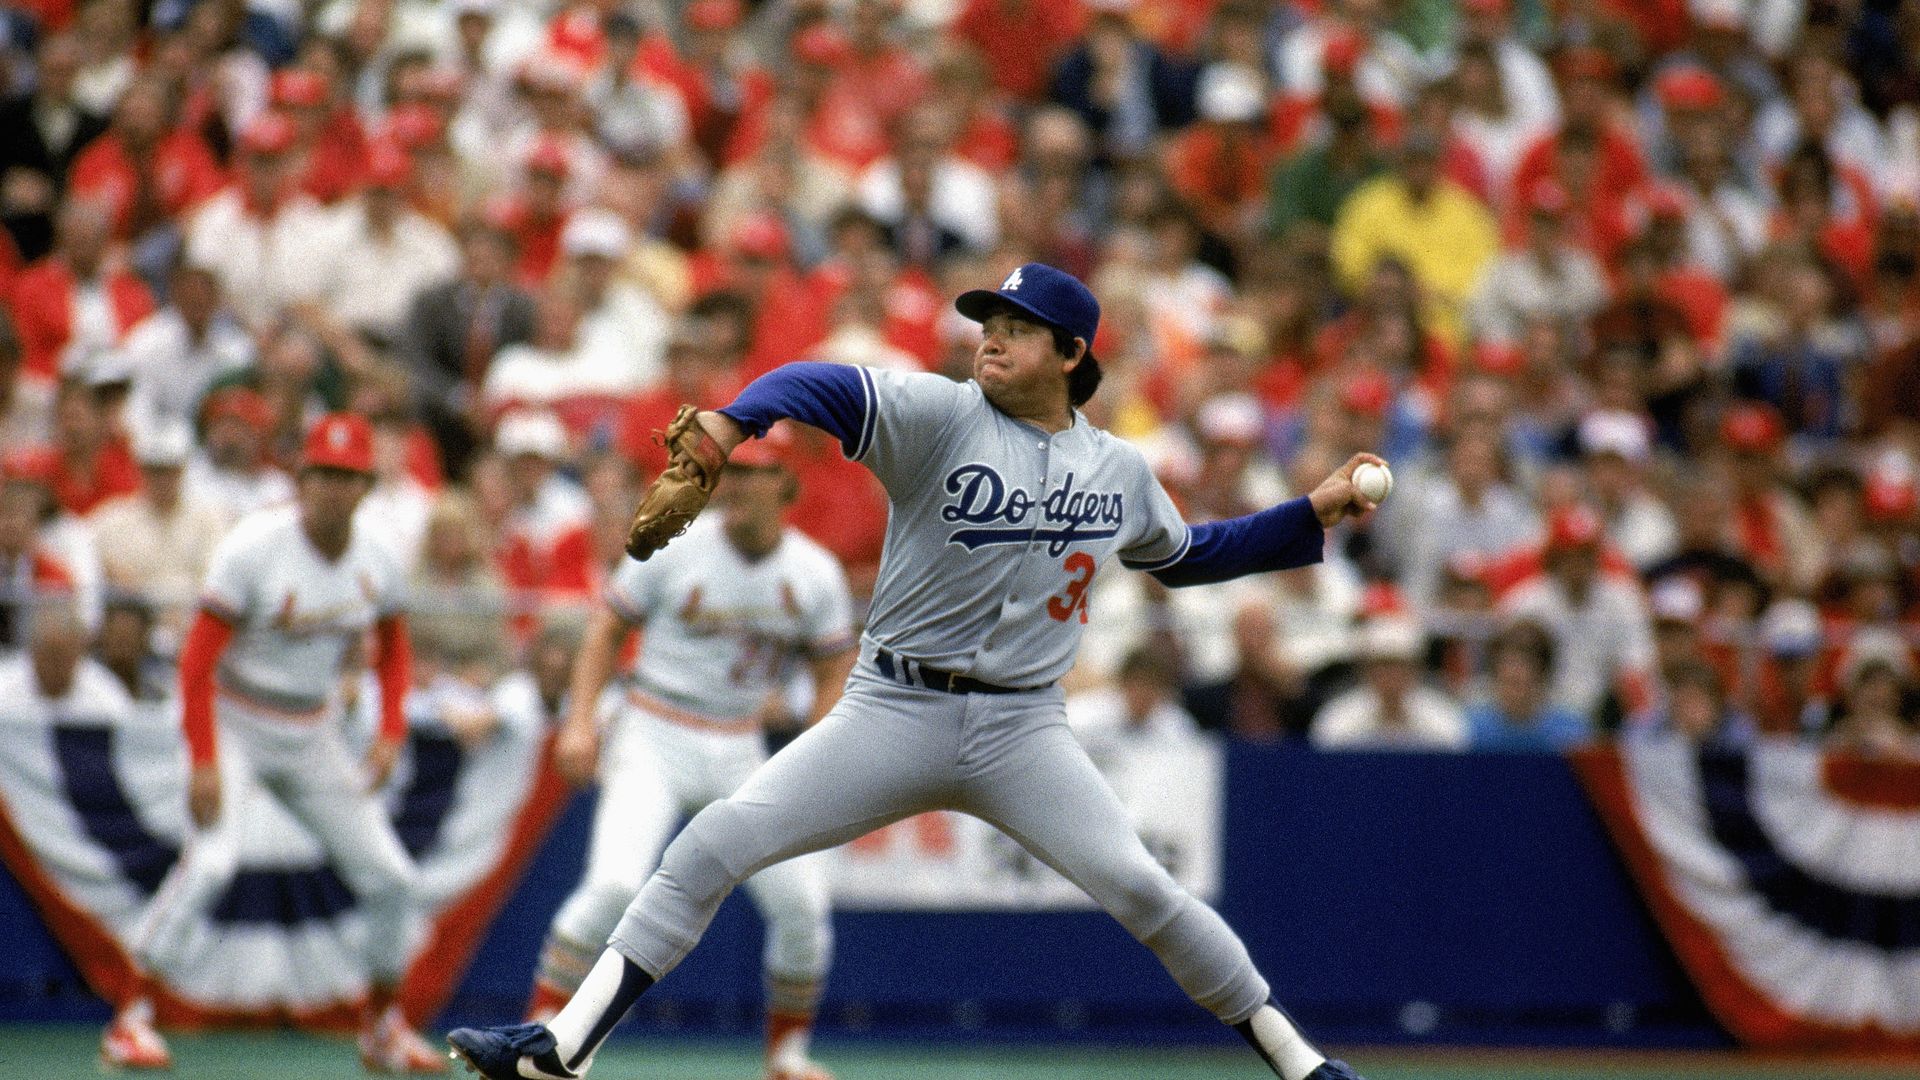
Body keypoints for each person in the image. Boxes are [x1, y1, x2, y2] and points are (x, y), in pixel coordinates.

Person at [448, 263, 1381, 1080]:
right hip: (893, 707)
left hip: (1025, 730)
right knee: (709, 847)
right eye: (989, 324)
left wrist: (1310, 512)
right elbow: (818, 384)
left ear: (1070, 353)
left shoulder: (1120, 469)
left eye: (1016, 329)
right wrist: (735, 424)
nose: (992, 341)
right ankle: (561, 1049)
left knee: (1145, 891)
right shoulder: (939, 415)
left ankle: (1301, 1064)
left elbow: (1188, 555)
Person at [111, 413, 445, 1074]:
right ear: (301, 478)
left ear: (365, 486)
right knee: (210, 863)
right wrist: (204, 759)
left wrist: (389, 731)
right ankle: (131, 1017)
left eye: (347, 478)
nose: (332, 489)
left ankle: (381, 1026)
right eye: (322, 474)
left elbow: (395, 650)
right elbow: (197, 663)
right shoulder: (255, 546)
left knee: (391, 878)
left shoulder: (377, 553)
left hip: (311, 729)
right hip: (236, 718)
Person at [528, 431, 856, 1080]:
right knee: (615, 885)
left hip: (739, 743)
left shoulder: (813, 571)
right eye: (734, 471)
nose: (736, 483)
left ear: (787, 487)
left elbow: (833, 665)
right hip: (654, 729)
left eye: (757, 473)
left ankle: (786, 1054)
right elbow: (606, 628)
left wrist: (819, 749)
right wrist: (581, 722)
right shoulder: (675, 538)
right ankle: (541, 1030)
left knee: (802, 906)